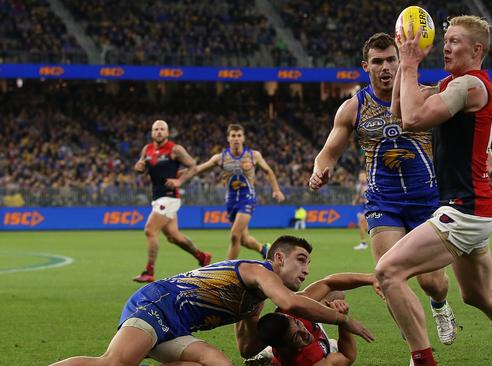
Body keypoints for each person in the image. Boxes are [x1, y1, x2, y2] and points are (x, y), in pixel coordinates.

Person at [375, 16, 492, 366]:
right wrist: (405, 69)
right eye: (446, 40)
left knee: (387, 272)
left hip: (464, 210)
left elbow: (412, 121)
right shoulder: (455, 84)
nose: (446, 47)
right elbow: (397, 110)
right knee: (477, 294)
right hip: (476, 208)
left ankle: (424, 361)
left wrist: (408, 64)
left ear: (477, 49)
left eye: (454, 41)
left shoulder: (467, 85)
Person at [309, 32, 458, 346]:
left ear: (401, 60)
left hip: (427, 201)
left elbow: (462, 136)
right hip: (383, 202)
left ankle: (440, 305)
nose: (386, 66)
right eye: (378, 61)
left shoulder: (424, 97)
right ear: (366, 66)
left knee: (433, 282)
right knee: (387, 277)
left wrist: (489, 161)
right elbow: (328, 152)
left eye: (392, 59)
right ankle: (415, 345)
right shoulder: (353, 108)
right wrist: (320, 169)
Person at [51, 236, 374, 366]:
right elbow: (290, 303)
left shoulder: (254, 299)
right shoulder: (257, 271)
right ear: (278, 258)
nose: (305, 270)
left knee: (217, 363)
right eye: (301, 260)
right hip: (156, 305)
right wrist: (344, 321)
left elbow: (247, 350)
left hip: (176, 327)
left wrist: (371, 278)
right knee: (114, 364)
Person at [132, 120, 211, 283]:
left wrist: (179, 182)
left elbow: (193, 167)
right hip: (157, 196)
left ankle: (149, 271)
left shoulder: (175, 149)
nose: (159, 132)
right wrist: (138, 168)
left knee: (150, 230)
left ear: (167, 133)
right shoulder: (147, 149)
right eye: (156, 129)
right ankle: (202, 256)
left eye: (162, 129)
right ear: (152, 133)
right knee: (173, 236)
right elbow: (142, 168)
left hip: (169, 197)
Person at [246, 272, 381, 366]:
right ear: (284, 348)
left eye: (298, 324)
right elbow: (347, 357)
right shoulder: (311, 361)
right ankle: (270, 356)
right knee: (332, 346)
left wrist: (370, 278)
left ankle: (267, 353)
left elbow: (328, 283)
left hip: (287, 335)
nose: (305, 333)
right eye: (296, 337)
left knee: (337, 294)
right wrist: (343, 321)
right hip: (302, 352)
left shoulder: (290, 308)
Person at [195, 123, 286, 260]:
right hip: (231, 201)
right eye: (233, 136)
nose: (236, 138)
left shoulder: (253, 155)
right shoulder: (221, 157)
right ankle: (264, 249)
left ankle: (227, 271)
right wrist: (182, 174)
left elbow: (268, 171)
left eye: (239, 136)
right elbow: (198, 169)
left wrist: (276, 190)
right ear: (228, 138)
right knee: (244, 240)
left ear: (243, 138)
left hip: (247, 199)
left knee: (234, 235)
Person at [352, 170, 369, 250]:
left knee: (362, 223)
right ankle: (363, 242)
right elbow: (359, 196)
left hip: (370, 206)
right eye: (360, 176)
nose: (362, 178)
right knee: (362, 225)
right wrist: (356, 201)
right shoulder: (359, 186)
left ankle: (364, 243)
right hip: (363, 206)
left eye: (363, 176)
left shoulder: (370, 185)